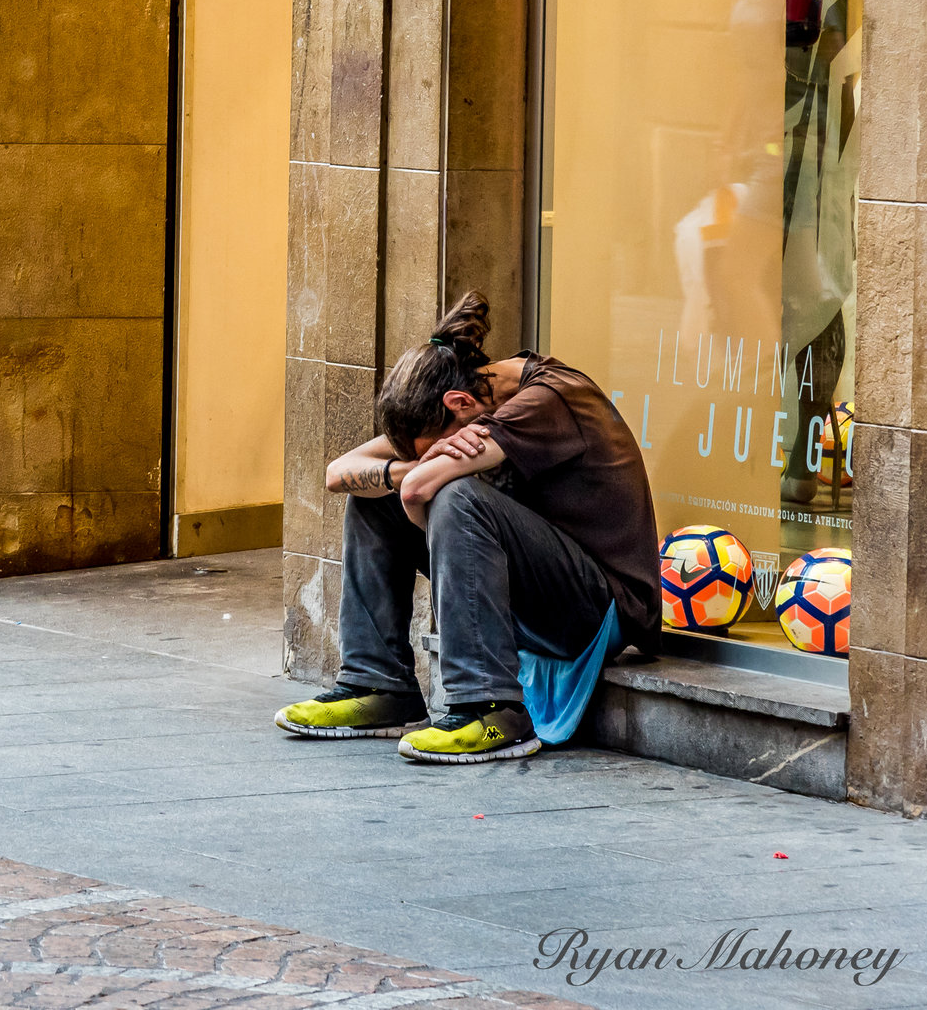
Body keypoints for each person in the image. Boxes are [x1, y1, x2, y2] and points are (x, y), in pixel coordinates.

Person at [273, 292, 660, 764]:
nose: (438, 453)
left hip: (600, 610)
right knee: (374, 498)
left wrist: (425, 493)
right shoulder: (470, 399)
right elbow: (339, 473)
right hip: (539, 594)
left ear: (458, 402)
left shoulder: (550, 399)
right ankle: (379, 685)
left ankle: (492, 710)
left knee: (455, 496)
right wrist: (405, 470)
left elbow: (421, 492)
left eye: (438, 444)